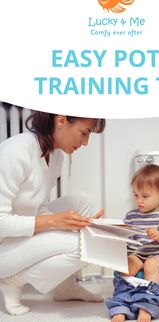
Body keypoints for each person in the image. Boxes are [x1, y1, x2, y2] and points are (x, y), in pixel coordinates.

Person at [0, 111, 106, 315]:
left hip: (16, 238)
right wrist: (54, 222)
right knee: (83, 246)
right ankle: (11, 279)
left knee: (81, 202)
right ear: (61, 120)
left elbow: (40, 209)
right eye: (84, 133)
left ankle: (65, 286)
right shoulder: (15, 152)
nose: (85, 143)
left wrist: (75, 223)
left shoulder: (55, 155)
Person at [110, 164, 159, 322]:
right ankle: (121, 304)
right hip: (138, 253)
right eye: (135, 195)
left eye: (145, 196)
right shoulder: (132, 215)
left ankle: (147, 305)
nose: (139, 200)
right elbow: (126, 239)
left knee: (150, 265)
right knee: (127, 266)